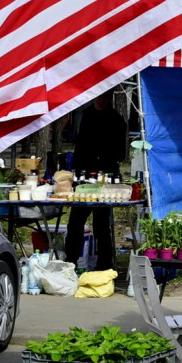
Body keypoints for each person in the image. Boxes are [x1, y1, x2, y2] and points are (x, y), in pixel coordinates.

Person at [65, 93, 128, 271]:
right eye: (98, 98)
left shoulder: (116, 120)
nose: (101, 101)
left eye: (105, 98)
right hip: (84, 177)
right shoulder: (85, 115)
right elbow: (79, 146)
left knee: (101, 225)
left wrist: (103, 161)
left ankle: (104, 266)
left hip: (106, 177)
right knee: (75, 222)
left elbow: (119, 154)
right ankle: (71, 263)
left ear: (109, 99)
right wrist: (75, 174)